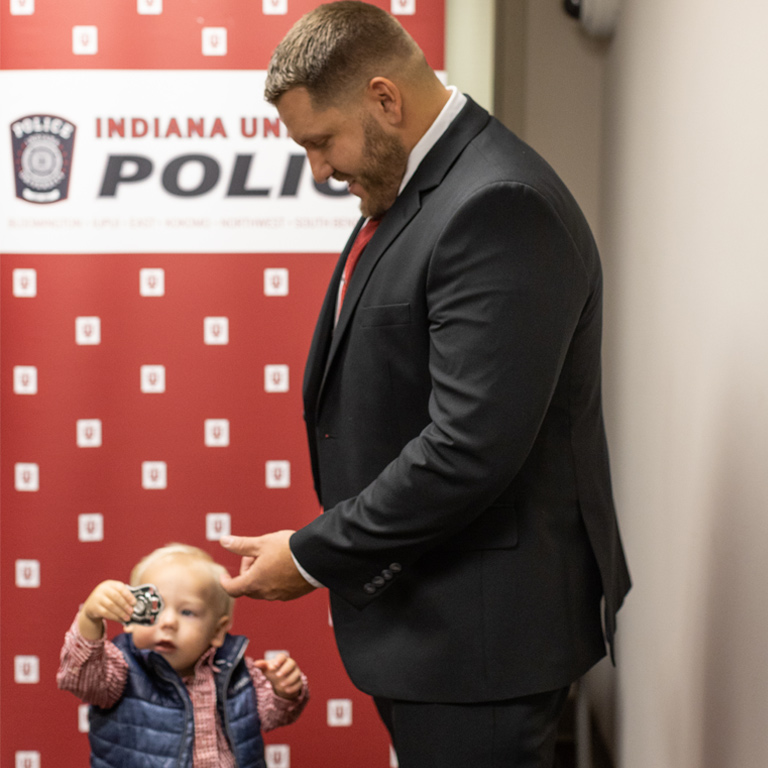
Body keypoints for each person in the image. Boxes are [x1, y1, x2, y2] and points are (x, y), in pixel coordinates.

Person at [219, 2, 631, 766]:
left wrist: (311, 555)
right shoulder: (412, 186)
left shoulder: (497, 204)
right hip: (435, 628)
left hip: (480, 644)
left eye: (321, 142)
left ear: (384, 98)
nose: (318, 170)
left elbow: (468, 448)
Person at [57, 543, 308, 768]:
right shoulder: (118, 669)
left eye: (187, 612)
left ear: (218, 631)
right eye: (156, 607)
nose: (168, 622)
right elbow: (81, 678)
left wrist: (285, 690)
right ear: (130, 617)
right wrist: (90, 619)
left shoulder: (238, 672)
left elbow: (274, 715)